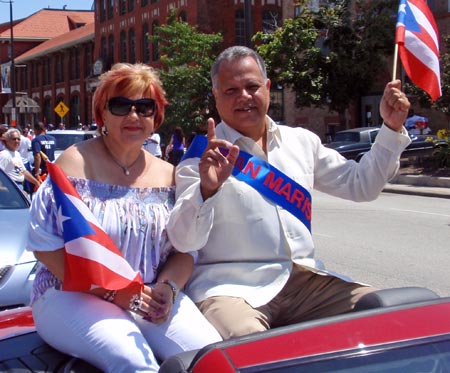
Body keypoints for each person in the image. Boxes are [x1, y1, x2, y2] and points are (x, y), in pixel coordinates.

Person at [166, 46, 412, 340]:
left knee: (390, 314)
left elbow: (362, 185)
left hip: (306, 282)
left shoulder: (301, 142)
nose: (243, 96)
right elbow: (183, 240)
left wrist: (390, 127)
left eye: (252, 86)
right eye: (230, 90)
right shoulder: (200, 158)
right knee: (249, 344)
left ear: (268, 88)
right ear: (216, 96)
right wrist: (207, 190)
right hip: (230, 288)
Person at [27, 63, 221, 372]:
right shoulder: (75, 164)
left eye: (145, 107)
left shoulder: (169, 174)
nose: (134, 116)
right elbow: (45, 246)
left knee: (211, 358)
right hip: (71, 293)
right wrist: (113, 293)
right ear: (102, 114)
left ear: (155, 118)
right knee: (133, 361)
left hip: (148, 296)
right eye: (121, 105)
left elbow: (184, 252)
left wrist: (168, 289)